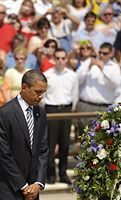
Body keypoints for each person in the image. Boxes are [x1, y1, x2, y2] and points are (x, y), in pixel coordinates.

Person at [0, 69, 49, 200]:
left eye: (43, 92)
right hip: (8, 187)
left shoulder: (41, 113)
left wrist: (38, 183)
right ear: (24, 87)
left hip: (33, 189)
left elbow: (43, 150)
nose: (41, 96)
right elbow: (4, 154)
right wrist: (23, 185)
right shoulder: (4, 113)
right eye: (38, 92)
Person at [43, 48, 79, 185]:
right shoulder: (47, 75)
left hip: (66, 108)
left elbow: (75, 95)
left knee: (64, 143)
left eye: (63, 58)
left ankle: (63, 173)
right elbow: (43, 96)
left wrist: (71, 110)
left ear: (66, 59)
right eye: (57, 58)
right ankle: (50, 174)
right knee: (50, 144)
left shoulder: (72, 75)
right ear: (53, 59)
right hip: (51, 109)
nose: (60, 61)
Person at [76, 42, 121, 135]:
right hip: (86, 105)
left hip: (104, 107)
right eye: (100, 52)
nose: (101, 55)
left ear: (111, 54)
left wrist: (103, 68)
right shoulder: (88, 62)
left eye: (104, 53)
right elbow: (77, 79)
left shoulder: (114, 67)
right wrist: (88, 67)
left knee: (101, 139)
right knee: (83, 137)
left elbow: (116, 84)